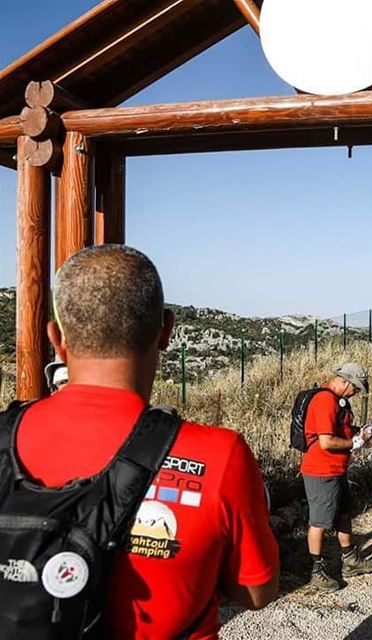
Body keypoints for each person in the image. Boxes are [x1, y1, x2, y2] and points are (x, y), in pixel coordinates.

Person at [11, 245, 279, 639]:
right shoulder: (219, 457)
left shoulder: (4, 435)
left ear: (57, 338)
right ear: (166, 329)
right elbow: (257, 590)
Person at [300, 362, 372, 591]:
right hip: (321, 471)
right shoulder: (325, 401)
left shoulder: (336, 402)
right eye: (355, 389)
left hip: (336, 470)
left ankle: (350, 560)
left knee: (344, 513)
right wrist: (356, 442)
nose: (355, 393)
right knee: (319, 522)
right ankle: (316, 571)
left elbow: (337, 430)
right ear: (345, 382)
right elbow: (326, 441)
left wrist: (358, 432)